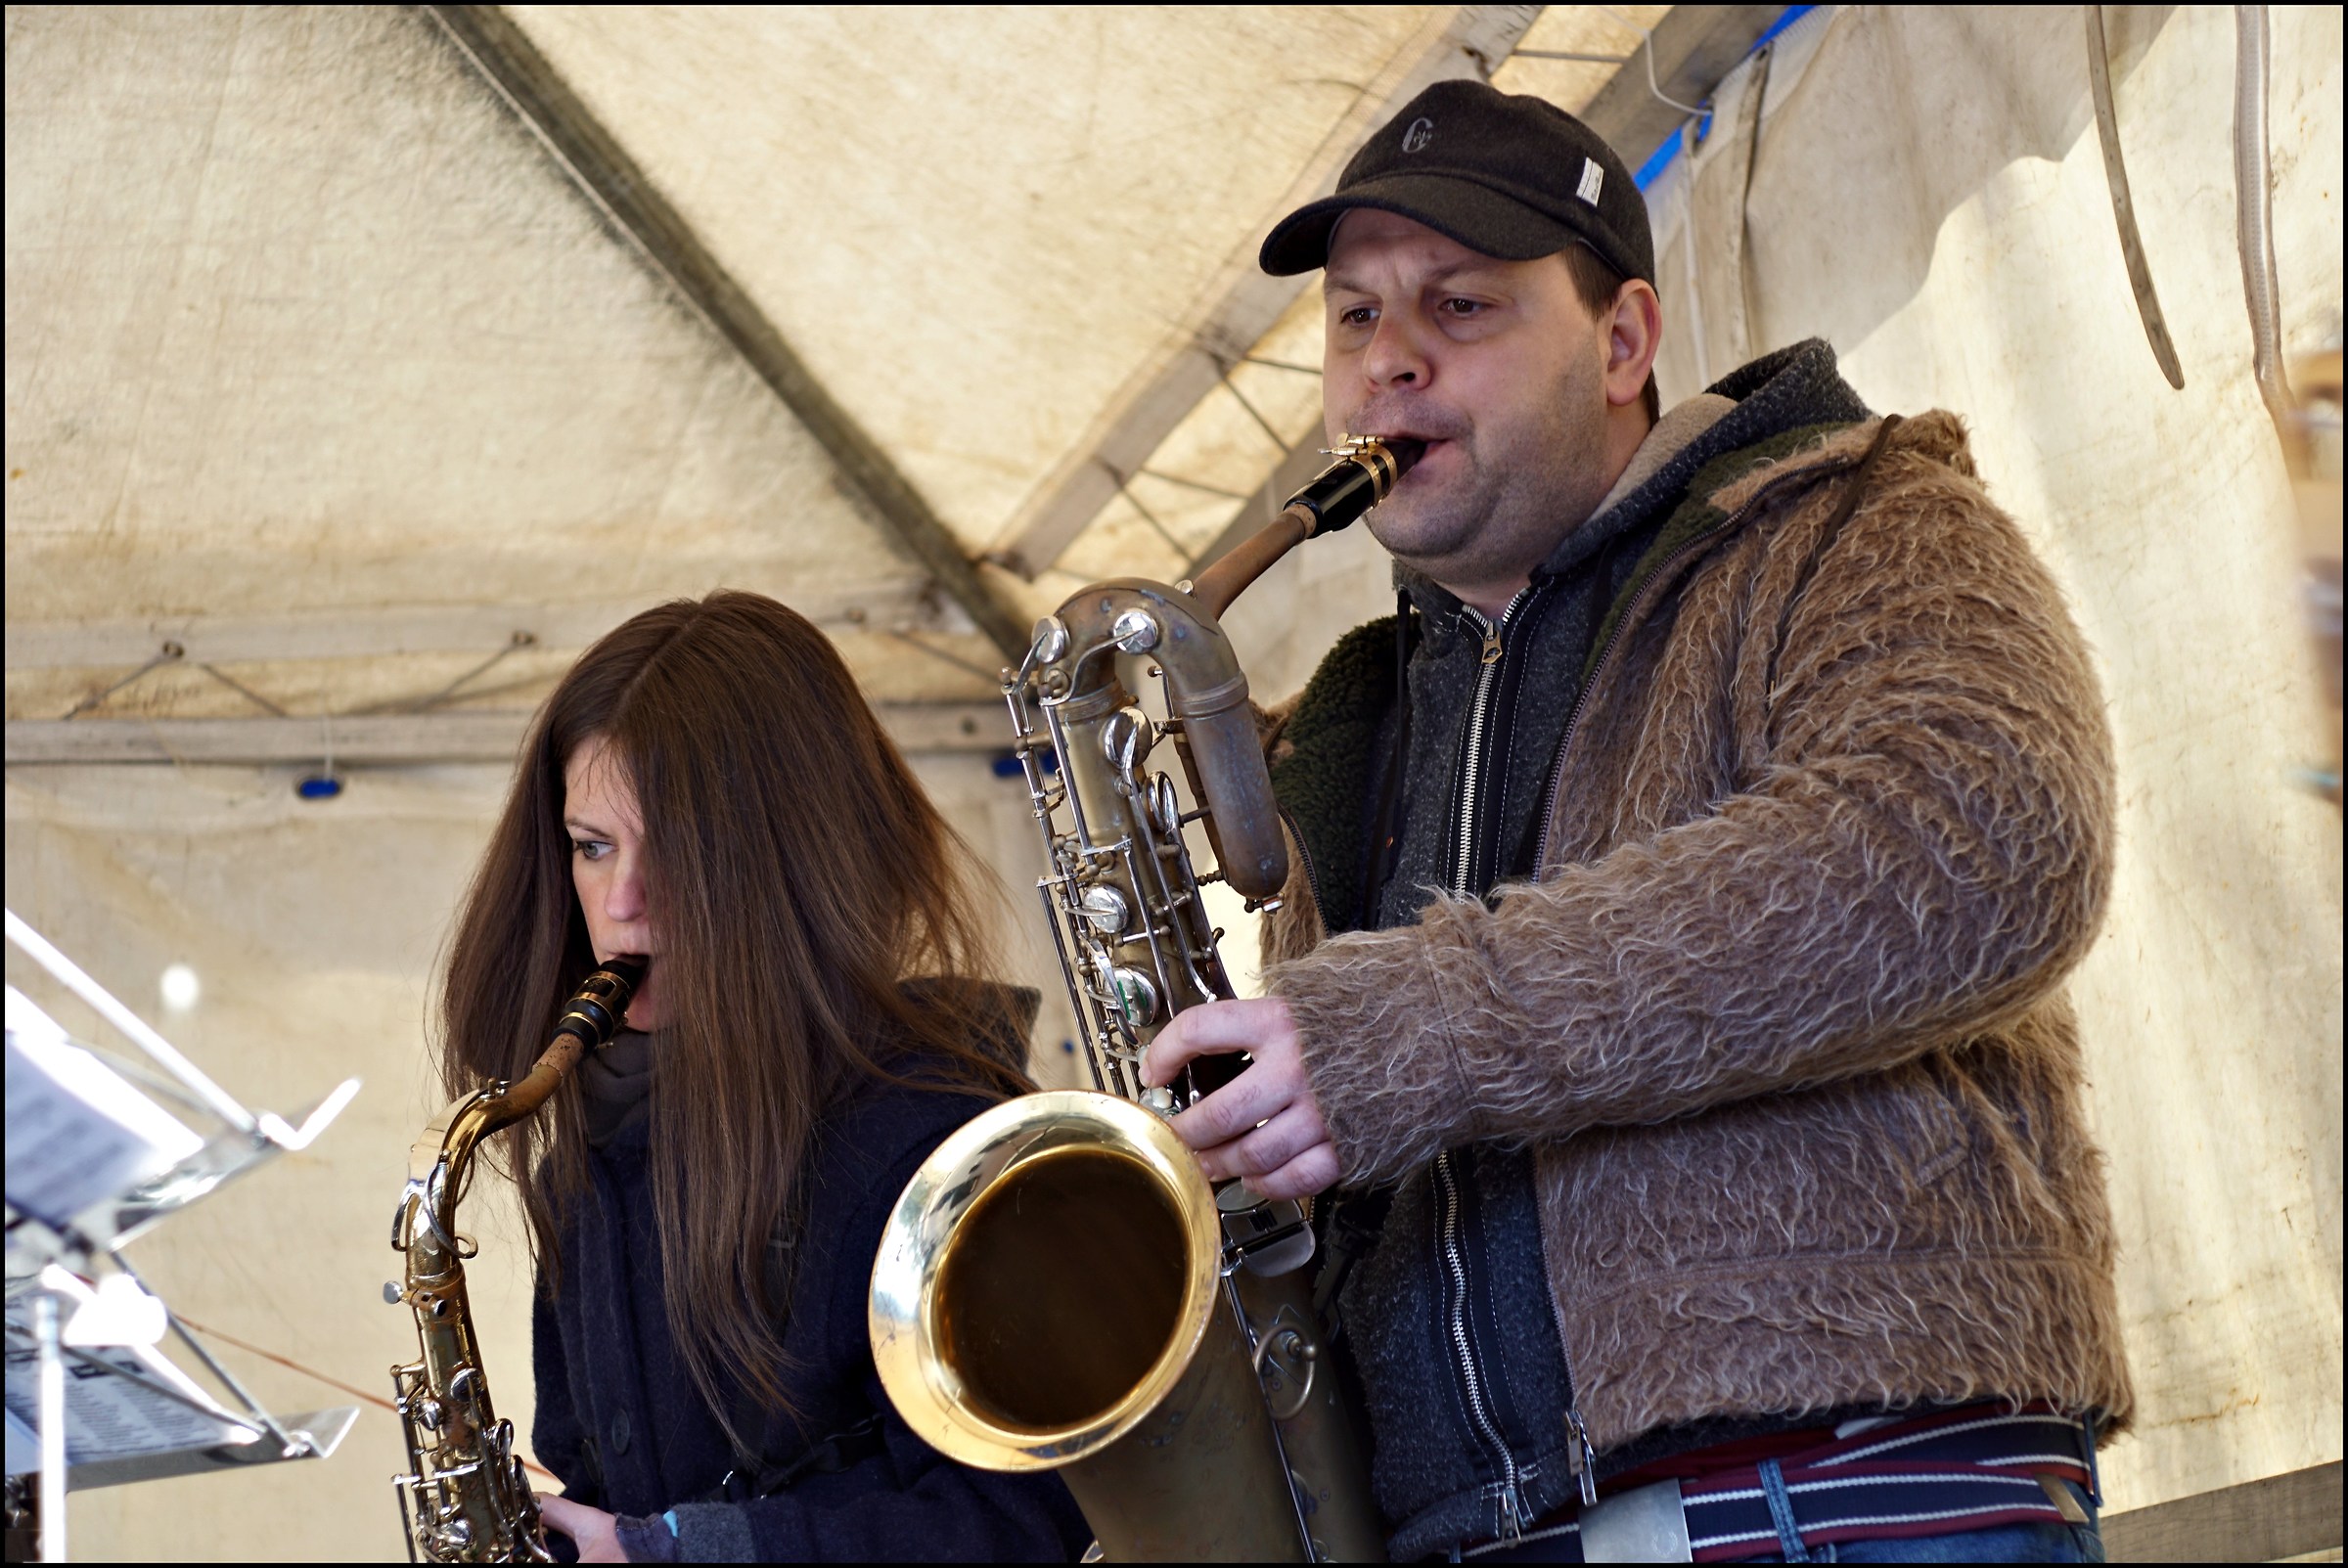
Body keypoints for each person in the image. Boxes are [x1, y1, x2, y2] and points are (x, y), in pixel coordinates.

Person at [1145, 81, 2126, 1562]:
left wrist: (1401, 1032)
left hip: (1839, 1502)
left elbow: (1982, 841)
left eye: (1459, 305)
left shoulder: (1858, 521)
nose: (1386, 363)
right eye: (1353, 318)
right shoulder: (1364, 717)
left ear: (1623, 341)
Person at [436, 591, 1090, 1563]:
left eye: (678, 849)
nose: (622, 905)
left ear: (788, 858)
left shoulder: (928, 1135)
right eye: (592, 846)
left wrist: (679, 1551)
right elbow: (617, 1492)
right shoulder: (585, 1151)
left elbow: (1033, 1521)